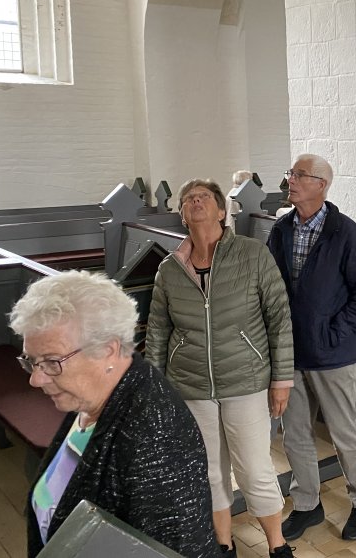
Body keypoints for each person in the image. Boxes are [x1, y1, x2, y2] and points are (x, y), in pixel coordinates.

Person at [10, 270, 217, 558]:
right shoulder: (92, 396)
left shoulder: (155, 436)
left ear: (107, 351)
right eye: (31, 361)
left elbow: (173, 549)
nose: (35, 379)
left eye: (51, 362)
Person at [145, 178, 294, 558]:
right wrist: (155, 388)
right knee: (209, 472)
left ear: (221, 210)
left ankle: (277, 545)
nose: (196, 201)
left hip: (245, 379)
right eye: (188, 199)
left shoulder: (252, 254)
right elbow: (158, 330)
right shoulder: (170, 268)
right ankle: (223, 546)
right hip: (191, 385)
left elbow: (279, 317)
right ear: (183, 215)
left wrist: (282, 378)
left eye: (204, 197)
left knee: (255, 469)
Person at [267, 154, 356, 543]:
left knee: (344, 432)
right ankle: (307, 504)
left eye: (300, 175)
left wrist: (335, 330)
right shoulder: (281, 229)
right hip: (290, 351)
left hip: (332, 353)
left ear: (322, 184)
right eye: (291, 173)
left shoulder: (346, 233)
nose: (291, 180)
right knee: (295, 433)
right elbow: (270, 285)